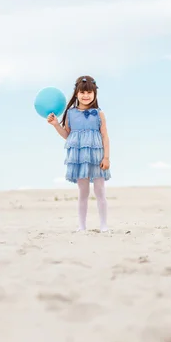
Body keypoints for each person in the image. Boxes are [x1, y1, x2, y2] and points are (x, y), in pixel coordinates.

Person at [47, 75, 111, 232]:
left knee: (100, 190)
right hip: (78, 157)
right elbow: (68, 135)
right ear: (76, 93)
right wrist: (56, 124)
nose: (86, 95)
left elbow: (105, 136)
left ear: (95, 93)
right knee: (83, 192)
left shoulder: (99, 113)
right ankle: (81, 226)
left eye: (89, 92)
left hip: (96, 156)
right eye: (82, 92)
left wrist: (106, 157)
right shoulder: (70, 113)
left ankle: (104, 225)